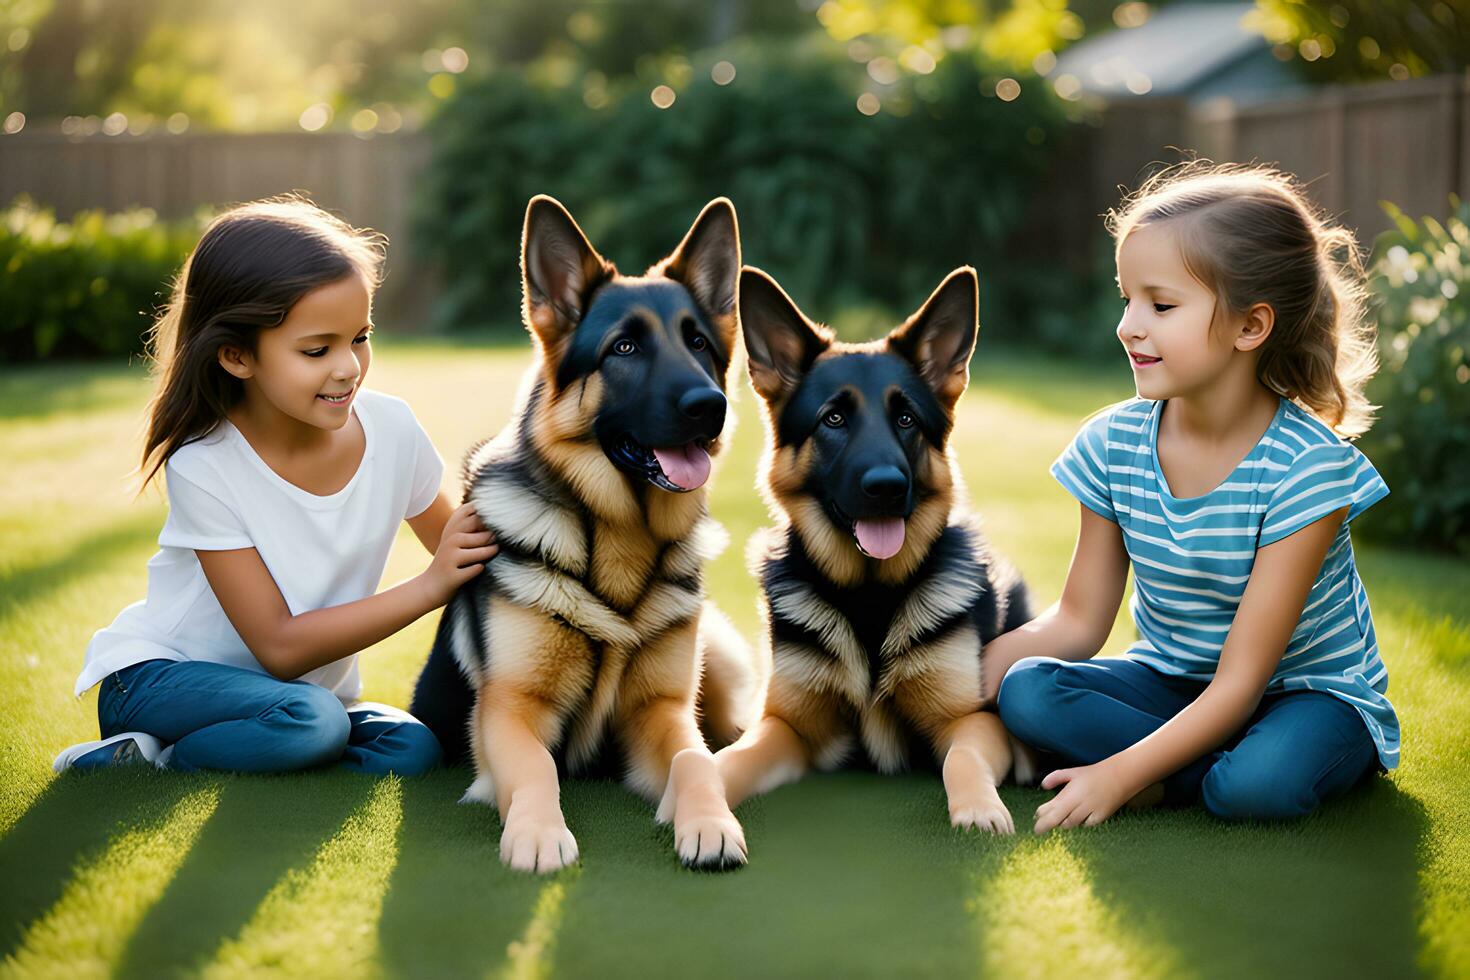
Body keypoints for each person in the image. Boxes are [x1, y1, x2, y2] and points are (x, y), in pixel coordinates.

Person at [984, 163, 1396, 830]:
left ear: (1250, 326)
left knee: (1256, 788)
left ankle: (1188, 769)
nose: (1128, 326)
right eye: (1126, 300)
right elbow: (1078, 622)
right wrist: (948, 683)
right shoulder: (1112, 445)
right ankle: (1193, 766)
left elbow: (1241, 683)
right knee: (1028, 689)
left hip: (1307, 697)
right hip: (1172, 683)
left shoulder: (1307, 471)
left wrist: (1119, 773)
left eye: (1161, 305)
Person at [53, 195, 497, 776]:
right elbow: (280, 648)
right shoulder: (206, 465)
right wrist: (431, 584)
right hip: (161, 680)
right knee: (314, 722)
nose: (348, 367)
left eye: (360, 337)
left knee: (411, 749)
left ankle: (280, 743)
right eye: (317, 350)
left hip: (302, 700)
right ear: (237, 356)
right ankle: (150, 755)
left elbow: (464, 551)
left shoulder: (392, 429)